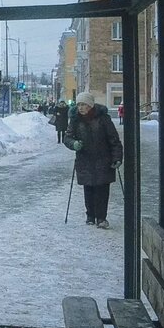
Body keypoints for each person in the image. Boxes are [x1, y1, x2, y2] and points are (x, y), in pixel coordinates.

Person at [64, 92, 123, 228]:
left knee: (102, 189)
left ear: (90, 105)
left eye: (83, 104)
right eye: (79, 105)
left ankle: (101, 218)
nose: (81, 107)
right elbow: (67, 138)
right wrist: (74, 144)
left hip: (104, 159)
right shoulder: (75, 120)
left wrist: (117, 158)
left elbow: (114, 140)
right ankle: (90, 215)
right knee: (89, 188)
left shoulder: (104, 119)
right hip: (85, 159)